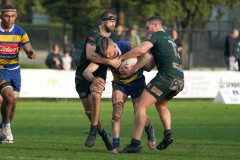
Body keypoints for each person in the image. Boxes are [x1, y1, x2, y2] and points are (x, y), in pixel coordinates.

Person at [118, 16, 184, 153]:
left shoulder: (156, 36)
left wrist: (121, 58)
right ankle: (168, 134)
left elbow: (141, 50)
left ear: (155, 25)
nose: (147, 31)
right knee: (161, 104)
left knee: (140, 106)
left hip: (166, 77)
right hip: (179, 80)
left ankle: (135, 144)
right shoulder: (169, 39)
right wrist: (135, 66)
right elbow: (149, 66)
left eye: (147, 28)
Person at [83, 37, 156, 153]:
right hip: (119, 83)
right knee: (116, 112)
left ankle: (150, 130)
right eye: (105, 54)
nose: (107, 57)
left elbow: (145, 57)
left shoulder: (126, 46)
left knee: (139, 113)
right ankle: (115, 146)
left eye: (110, 53)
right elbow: (86, 72)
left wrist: (131, 70)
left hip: (137, 81)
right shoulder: (103, 55)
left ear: (114, 46)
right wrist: (93, 78)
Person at [75, 10, 121, 150]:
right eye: (110, 21)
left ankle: (93, 132)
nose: (113, 23)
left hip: (100, 74)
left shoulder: (115, 36)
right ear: (103, 21)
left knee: (96, 96)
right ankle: (104, 135)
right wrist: (110, 62)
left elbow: (117, 55)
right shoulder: (94, 34)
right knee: (90, 112)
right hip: (83, 75)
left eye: (114, 21)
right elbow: (90, 55)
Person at [0, 4, 37, 143]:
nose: (10, 19)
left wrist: (30, 52)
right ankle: (6, 126)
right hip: (1, 70)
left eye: (13, 16)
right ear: (1, 16)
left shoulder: (20, 32)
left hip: (15, 71)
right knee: (8, 96)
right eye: (6, 16)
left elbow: (27, 47)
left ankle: (2, 129)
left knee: (13, 103)